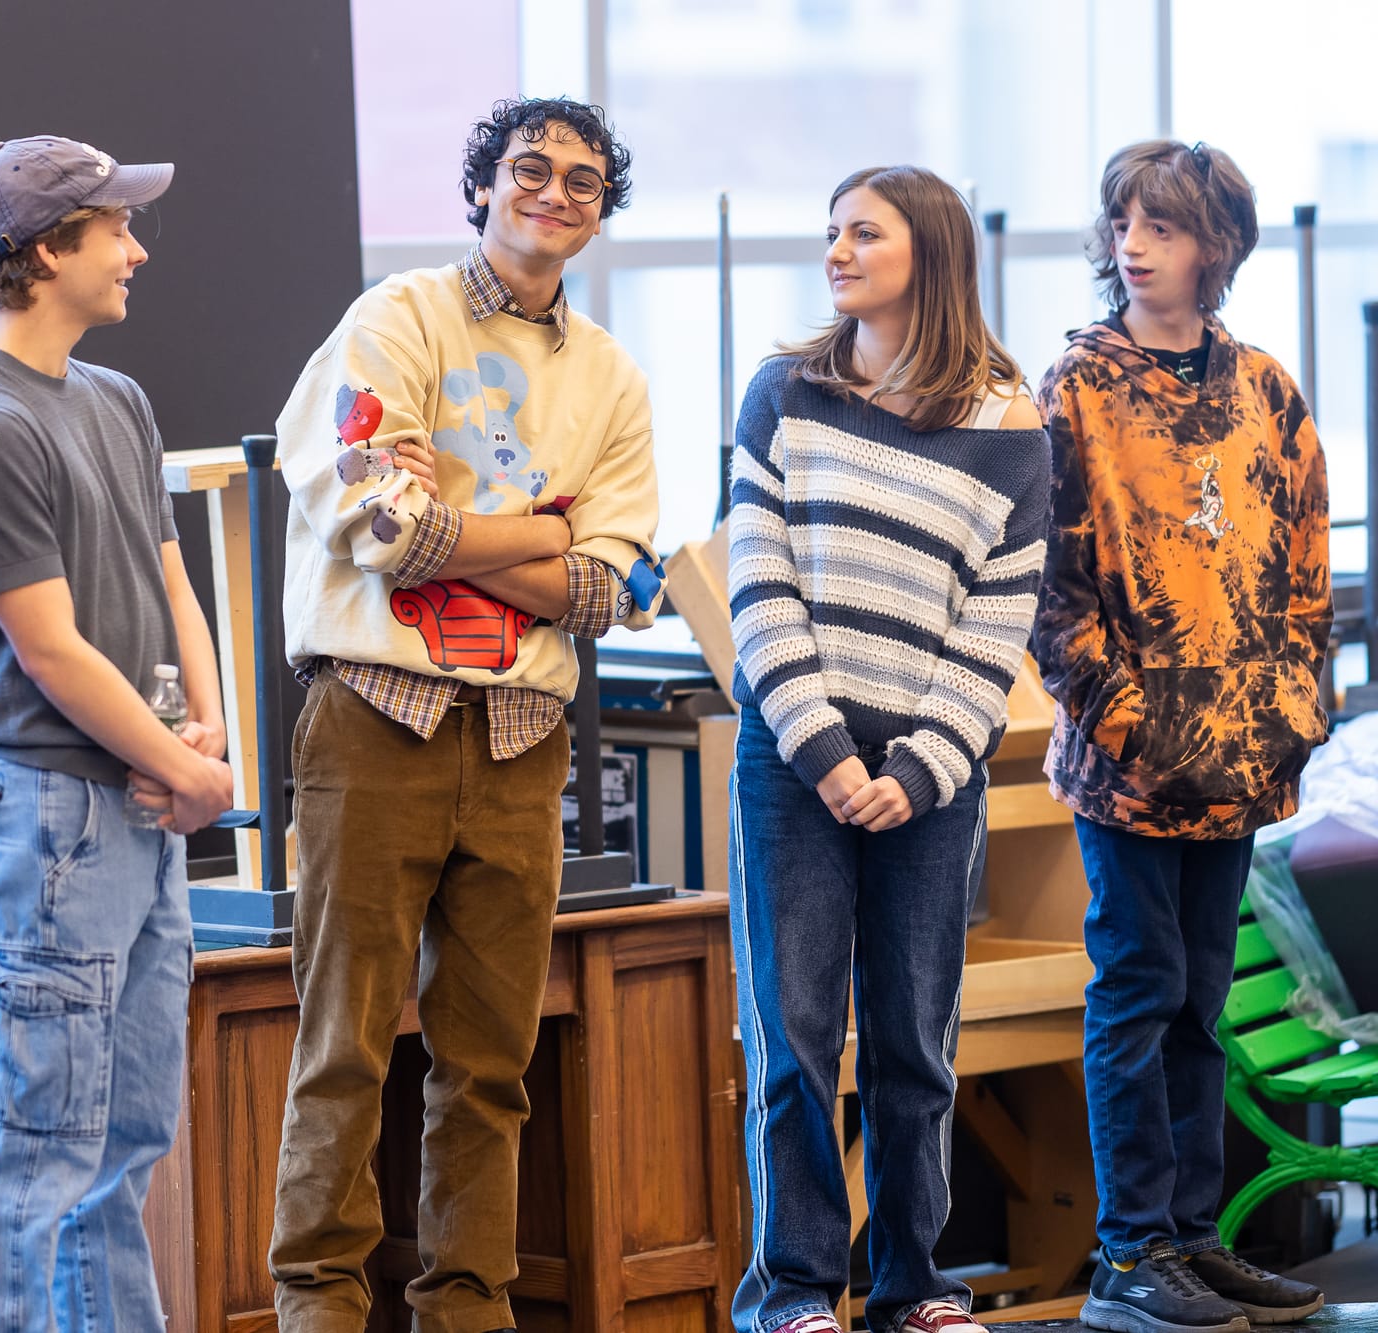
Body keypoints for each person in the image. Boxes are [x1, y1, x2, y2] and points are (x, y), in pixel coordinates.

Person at [268, 96, 667, 1332]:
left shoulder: (608, 376)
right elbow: (377, 522)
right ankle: (318, 1311)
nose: (554, 191)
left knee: (488, 1069)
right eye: (528, 169)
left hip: (518, 743)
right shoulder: (394, 319)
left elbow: (616, 587)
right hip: (373, 717)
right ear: (479, 187)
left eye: (583, 180)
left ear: (601, 215)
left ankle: (466, 1310)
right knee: (343, 1051)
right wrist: (537, 535)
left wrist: (454, 538)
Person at [723, 165, 1049, 1333]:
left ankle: (913, 1286)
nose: (835, 251)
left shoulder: (1011, 433)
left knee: (914, 1040)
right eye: (830, 233)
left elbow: (991, 633)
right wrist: (824, 755)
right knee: (793, 1034)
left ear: (932, 254)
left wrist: (914, 772)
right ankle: (793, 1292)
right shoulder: (782, 395)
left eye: (862, 232)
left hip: (929, 776)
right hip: (790, 764)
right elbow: (757, 588)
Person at [0, 134, 233, 1329]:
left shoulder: (114, 399)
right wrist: (185, 772)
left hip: (146, 808)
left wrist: (206, 741)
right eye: (114, 229)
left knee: (123, 1139)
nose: (136, 250)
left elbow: (170, 581)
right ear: (50, 249)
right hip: (53, 825)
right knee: (33, 1145)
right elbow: (47, 651)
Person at [1032, 139, 1331, 1333]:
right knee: (1138, 990)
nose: (1134, 242)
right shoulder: (1074, 384)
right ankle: (1128, 1248)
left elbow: (1304, 566)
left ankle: (1197, 1240)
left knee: (1201, 1000)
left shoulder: (1262, 384)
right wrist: (1131, 725)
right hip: (1129, 768)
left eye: (1161, 224)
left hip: (1247, 759)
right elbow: (1046, 589)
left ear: (1215, 245)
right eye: (1122, 222)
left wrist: (1293, 714)